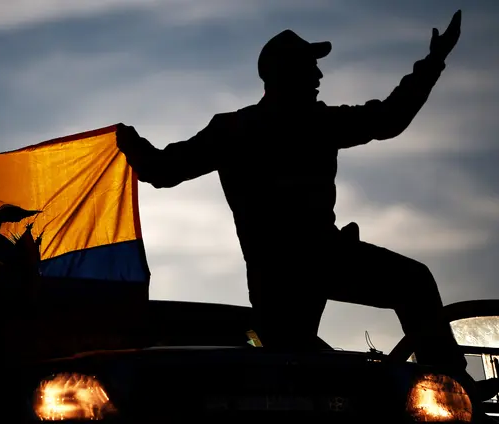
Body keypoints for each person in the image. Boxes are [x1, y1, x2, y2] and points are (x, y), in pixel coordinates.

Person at [117, 10, 497, 399]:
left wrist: (132, 144)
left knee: (304, 363)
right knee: (300, 368)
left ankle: (451, 385)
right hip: (298, 268)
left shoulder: (258, 127)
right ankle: (452, 384)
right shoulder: (266, 127)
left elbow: (160, 169)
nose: (318, 77)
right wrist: (131, 144)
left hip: (287, 272)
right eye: (309, 68)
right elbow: (162, 170)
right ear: (283, 75)